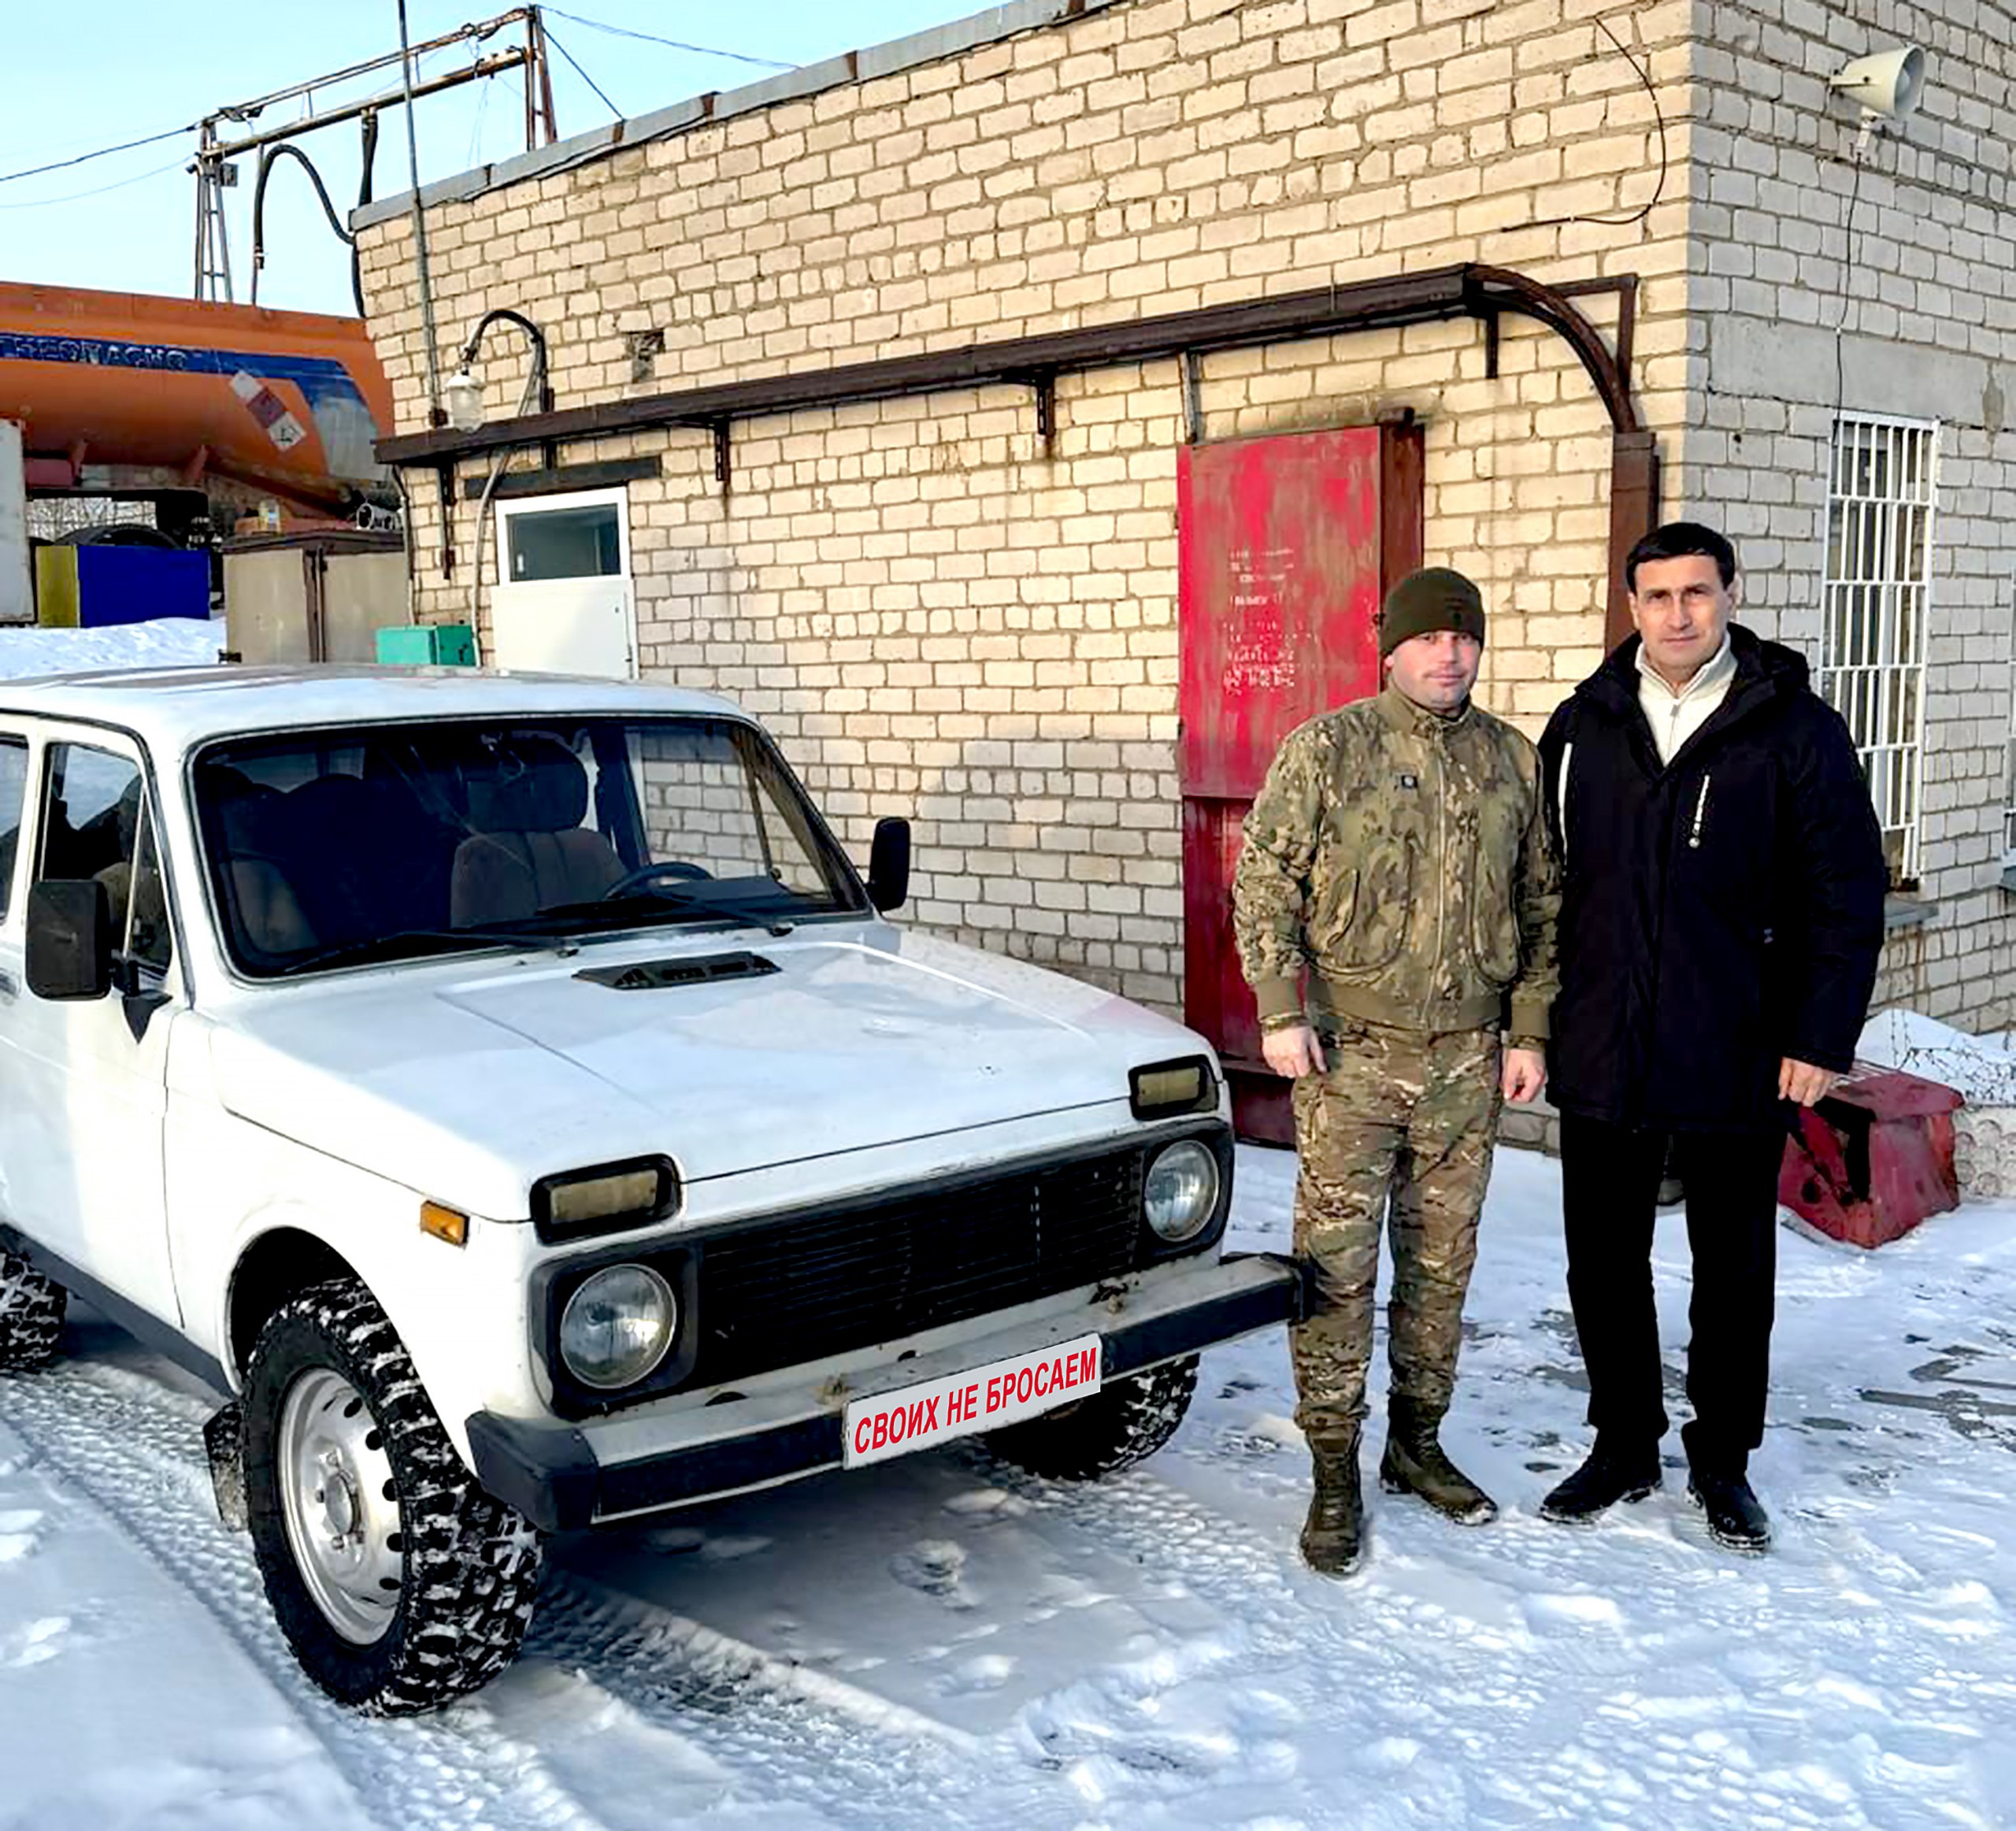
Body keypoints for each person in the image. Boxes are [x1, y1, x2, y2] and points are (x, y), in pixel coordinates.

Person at [1536, 521, 1887, 1553]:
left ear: (1730, 593)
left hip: (1739, 1045)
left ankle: (1722, 1458)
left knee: (1731, 1271)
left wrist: (1819, 1036)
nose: (1678, 613)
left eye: (1697, 591)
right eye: (1658, 595)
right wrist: (1536, 1024)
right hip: (1604, 1043)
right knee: (1603, 1261)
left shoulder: (1793, 729)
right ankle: (1623, 1443)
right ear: (1632, 606)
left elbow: (1845, 893)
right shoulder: (1584, 725)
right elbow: (1543, 885)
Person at [1232, 566, 1558, 1577]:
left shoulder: (1511, 758)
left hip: (1467, 1057)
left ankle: (1416, 1443)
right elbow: (1264, 882)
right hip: (1352, 1058)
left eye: (1463, 638)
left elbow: (1542, 901)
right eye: (1427, 638)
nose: (1447, 655)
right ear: (1391, 649)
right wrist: (1279, 1009)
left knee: (1440, 1268)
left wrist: (1528, 1030)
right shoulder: (1327, 750)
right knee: (1337, 1271)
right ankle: (1333, 1465)